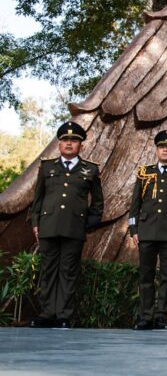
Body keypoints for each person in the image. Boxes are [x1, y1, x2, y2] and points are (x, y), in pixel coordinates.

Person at [29, 121, 104, 329]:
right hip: (48, 226)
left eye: (74, 140)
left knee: (68, 271)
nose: (69, 143)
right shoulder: (47, 167)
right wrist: (36, 224)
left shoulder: (90, 169)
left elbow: (98, 204)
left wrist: (86, 224)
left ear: (81, 145)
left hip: (74, 228)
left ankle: (63, 315)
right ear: (59, 144)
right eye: (65, 140)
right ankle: (47, 313)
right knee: (48, 270)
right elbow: (38, 200)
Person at [128, 130, 167, 331]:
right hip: (146, 232)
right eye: (161, 146)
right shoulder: (144, 172)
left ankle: (162, 317)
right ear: (157, 149)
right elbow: (135, 205)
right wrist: (133, 229)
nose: (165, 150)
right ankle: (146, 317)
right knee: (145, 276)